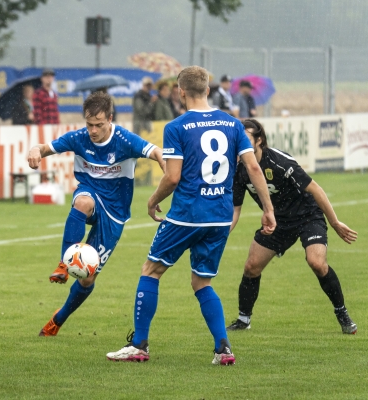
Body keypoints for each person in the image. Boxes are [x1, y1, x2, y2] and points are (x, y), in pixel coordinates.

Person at [106, 66, 276, 365]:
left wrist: (153, 199)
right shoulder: (234, 124)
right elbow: (252, 168)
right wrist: (268, 208)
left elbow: (172, 178)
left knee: (151, 270)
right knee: (202, 282)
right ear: (208, 90)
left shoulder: (177, 127)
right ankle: (223, 349)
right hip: (221, 216)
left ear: (181, 92)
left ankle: (139, 345)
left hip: (187, 214)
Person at [28, 92, 165, 337]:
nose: (93, 130)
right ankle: (63, 262)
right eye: (89, 124)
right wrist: (35, 151)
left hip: (115, 213)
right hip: (90, 193)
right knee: (81, 202)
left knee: (87, 278)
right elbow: (43, 147)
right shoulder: (78, 138)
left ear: (110, 119)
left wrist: (167, 169)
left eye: (99, 125)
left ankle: (58, 319)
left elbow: (155, 151)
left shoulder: (124, 140)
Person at [227, 118, 358, 334]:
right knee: (251, 266)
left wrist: (334, 223)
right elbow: (235, 209)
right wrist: (221, 233)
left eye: (246, 139)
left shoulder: (279, 162)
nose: (241, 144)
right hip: (277, 222)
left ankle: (342, 312)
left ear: (259, 140)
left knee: (316, 262)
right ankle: (243, 319)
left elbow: (315, 189)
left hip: (307, 215)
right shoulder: (240, 169)